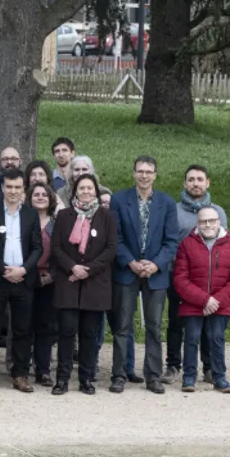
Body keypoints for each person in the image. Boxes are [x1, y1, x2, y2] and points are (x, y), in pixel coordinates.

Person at [109, 156, 180, 394]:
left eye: (149, 171)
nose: (144, 175)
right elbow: (115, 237)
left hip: (155, 273)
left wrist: (156, 264)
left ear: (155, 175)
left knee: (154, 326)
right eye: (140, 171)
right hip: (127, 271)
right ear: (133, 173)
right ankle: (119, 374)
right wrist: (129, 262)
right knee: (122, 326)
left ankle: (153, 376)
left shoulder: (167, 202)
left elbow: (171, 241)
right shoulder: (119, 200)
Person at [49, 174, 117, 395]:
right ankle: (62, 379)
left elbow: (110, 249)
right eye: (82, 188)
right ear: (74, 191)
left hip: (95, 283)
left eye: (90, 188)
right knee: (66, 332)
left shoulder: (106, 216)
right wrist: (73, 267)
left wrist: (88, 270)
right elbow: (56, 247)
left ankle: (86, 378)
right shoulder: (64, 216)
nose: (86, 192)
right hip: (68, 281)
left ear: (95, 191)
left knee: (89, 333)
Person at [0, 169, 43, 393]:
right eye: (9, 187)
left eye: (17, 187)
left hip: (23, 280)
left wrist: (23, 269)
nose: (13, 191)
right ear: (3, 188)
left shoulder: (31, 214)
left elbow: (37, 247)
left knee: (22, 329)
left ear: (22, 188)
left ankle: (20, 374)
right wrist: (4, 269)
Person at [167, 164, 230, 384]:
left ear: (207, 182)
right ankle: (173, 365)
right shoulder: (173, 210)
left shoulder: (218, 212)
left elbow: (224, 244)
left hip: (210, 280)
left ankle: (209, 367)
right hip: (180, 276)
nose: (196, 183)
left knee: (207, 325)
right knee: (176, 322)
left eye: (200, 179)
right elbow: (169, 241)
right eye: (191, 179)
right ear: (185, 183)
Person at [172, 206, 230, 393]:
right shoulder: (186, 244)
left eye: (211, 221)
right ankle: (189, 378)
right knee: (191, 338)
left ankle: (219, 377)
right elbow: (180, 279)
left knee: (216, 338)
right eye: (203, 221)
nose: (208, 225)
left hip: (220, 303)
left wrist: (216, 301)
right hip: (193, 302)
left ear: (219, 221)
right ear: (198, 223)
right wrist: (204, 300)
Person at [28, 181, 58, 387]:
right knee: (23, 325)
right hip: (25, 278)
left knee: (45, 327)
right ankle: (20, 367)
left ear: (51, 199)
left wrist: (52, 275)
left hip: (49, 279)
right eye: (36, 194)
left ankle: (43, 370)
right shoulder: (23, 220)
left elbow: (62, 252)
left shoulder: (57, 223)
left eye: (44, 195)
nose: (40, 197)